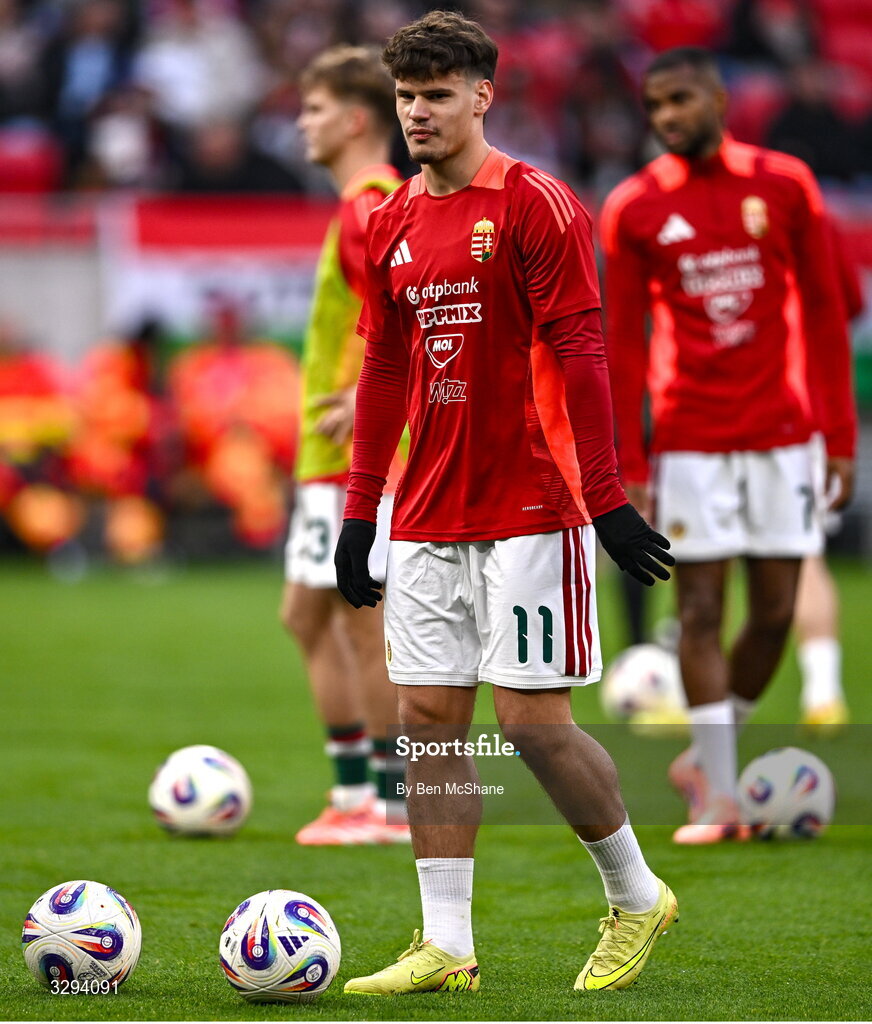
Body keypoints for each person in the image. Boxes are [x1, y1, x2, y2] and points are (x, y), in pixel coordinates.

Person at [334, 10, 677, 995]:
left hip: (532, 501)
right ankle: (446, 942)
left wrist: (604, 499)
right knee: (427, 720)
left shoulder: (536, 203)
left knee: (530, 723)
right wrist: (363, 513)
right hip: (427, 510)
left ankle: (635, 892)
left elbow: (581, 348)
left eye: (435, 94)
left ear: (483, 94)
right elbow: (386, 371)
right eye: (404, 97)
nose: (416, 113)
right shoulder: (389, 220)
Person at [600, 47, 857, 845]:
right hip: (691, 441)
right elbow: (622, 349)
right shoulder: (633, 207)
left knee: (777, 611)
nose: (668, 117)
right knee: (702, 607)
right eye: (655, 107)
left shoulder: (785, 184)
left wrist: (838, 437)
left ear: (718, 97)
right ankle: (717, 790)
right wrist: (630, 464)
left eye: (680, 100)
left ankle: (707, 758)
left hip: (785, 433)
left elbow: (826, 312)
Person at [279, 45, 410, 845]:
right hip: (329, 452)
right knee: (307, 613)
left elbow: (404, 311)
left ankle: (386, 802)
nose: (303, 122)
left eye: (316, 109)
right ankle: (361, 790)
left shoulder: (369, 203)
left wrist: (368, 396)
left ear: (357, 119)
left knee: (359, 617)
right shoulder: (370, 202)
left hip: (354, 456)